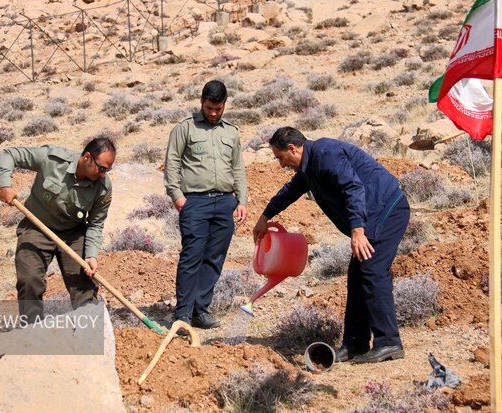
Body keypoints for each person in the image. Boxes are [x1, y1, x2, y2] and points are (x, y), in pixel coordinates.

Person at [252, 127, 410, 363]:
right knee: (357, 275)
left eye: (280, 157)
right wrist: (265, 216)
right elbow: (291, 191)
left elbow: (352, 188)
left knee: (372, 271)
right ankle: (355, 344)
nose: (281, 165)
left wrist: (357, 230)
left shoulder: (327, 154)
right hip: (372, 216)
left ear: (293, 149)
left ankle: (389, 342)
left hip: (386, 209)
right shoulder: (309, 165)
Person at [0, 138, 116, 323]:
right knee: (29, 281)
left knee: (84, 286)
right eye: (101, 168)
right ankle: (33, 335)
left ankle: (87, 335)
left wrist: (91, 255)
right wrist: (5, 185)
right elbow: (9, 154)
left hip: (73, 234)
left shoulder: (103, 188)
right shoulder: (51, 159)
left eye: (107, 170)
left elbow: (95, 223)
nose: (103, 174)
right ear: (87, 157)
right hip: (36, 227)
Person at [164, 79, 248, 329]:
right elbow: (172, 163)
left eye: (218, 109)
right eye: (209, 108)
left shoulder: (231, 132)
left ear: (224, 105)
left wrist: (241, 199)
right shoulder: (185, 128)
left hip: (224, 203)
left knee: (214, 258)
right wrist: (177, 196)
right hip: (195, 203)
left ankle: (201, 310)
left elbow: (238, 167)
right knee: (192, 256)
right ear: (202, 102)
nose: (213, 113)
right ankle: (183, 314)